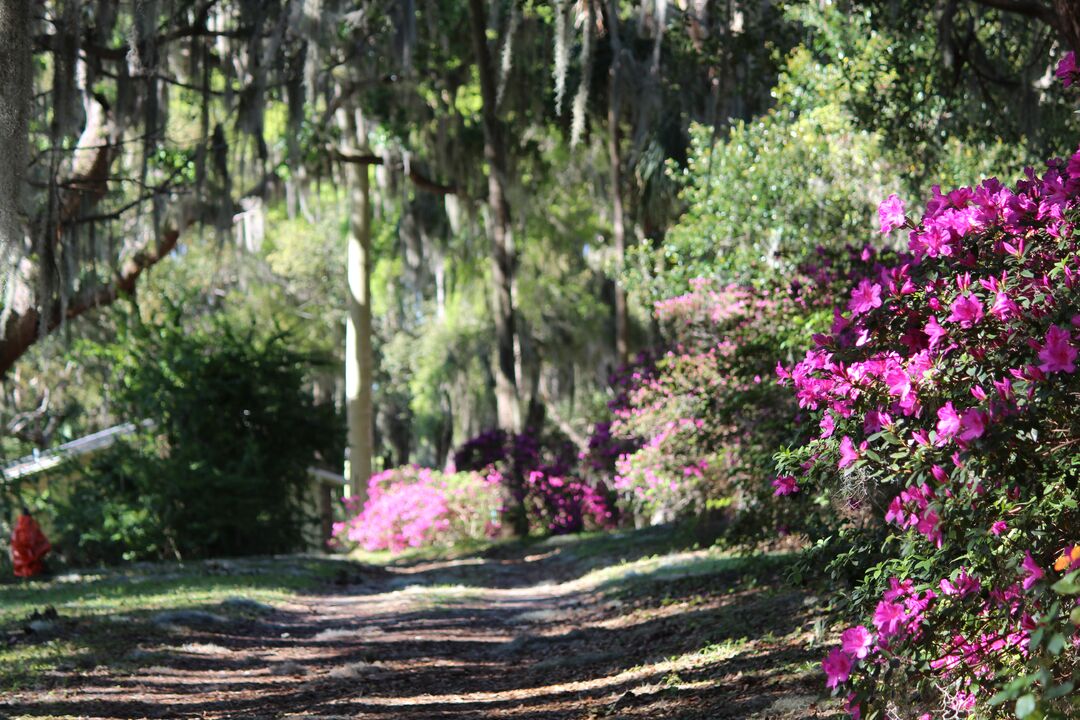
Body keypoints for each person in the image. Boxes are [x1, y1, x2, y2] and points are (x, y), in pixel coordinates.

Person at [11, 507, 51, 578]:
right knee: (31, 560)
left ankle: (26, 575)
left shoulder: (20, 523)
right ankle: (32, 574)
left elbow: (16, 537)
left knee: (26, 561)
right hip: (28, 546)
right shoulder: (30, 523)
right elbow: (34, 535)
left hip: (22, 547)